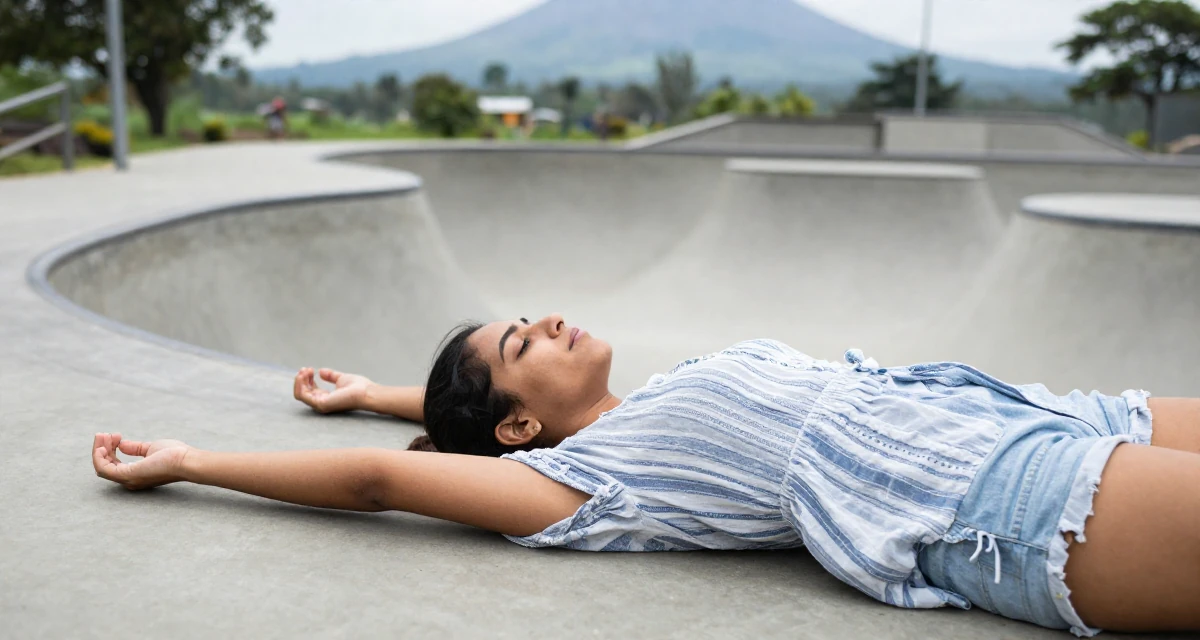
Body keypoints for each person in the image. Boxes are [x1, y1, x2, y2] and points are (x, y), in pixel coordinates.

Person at [91, 314, 1200, 636]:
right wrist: (192, 460)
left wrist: (377, 388)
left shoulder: (651, 404)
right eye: (524, 342)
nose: (549, 319)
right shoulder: (591, 481)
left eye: (524, 316)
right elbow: (382, 482)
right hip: (996, 500)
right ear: (521, 423)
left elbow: (445, 425)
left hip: (1035, 411)